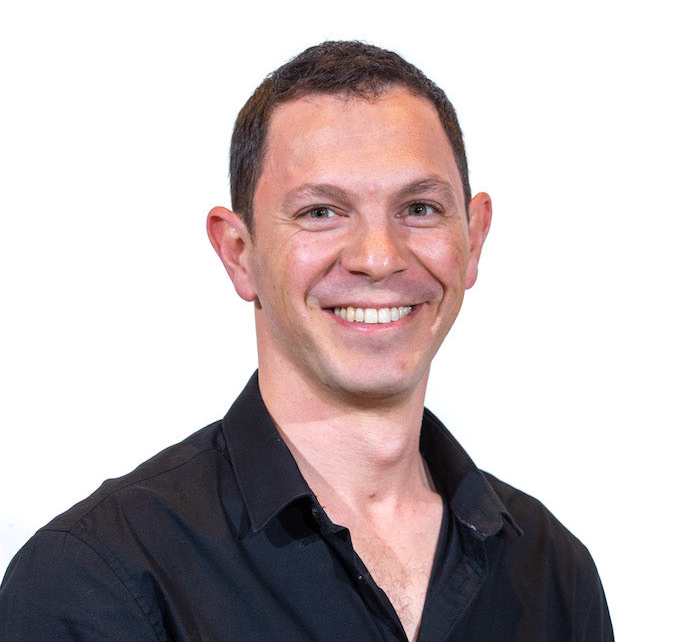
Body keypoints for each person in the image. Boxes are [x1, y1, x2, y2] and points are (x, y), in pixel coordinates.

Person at [0, 41, 614, 641]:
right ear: (239, 254)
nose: (378, 258)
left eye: (420, 208)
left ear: (473, 239)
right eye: (322, 211)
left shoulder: (554, 573)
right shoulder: (96, 577)